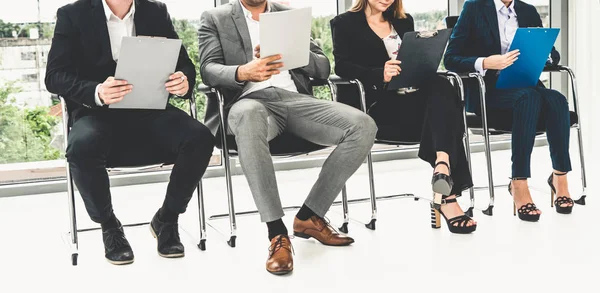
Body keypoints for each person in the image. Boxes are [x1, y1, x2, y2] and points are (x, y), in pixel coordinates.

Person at [199, 0, 377, 275]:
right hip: (247, 101)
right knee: (250, 116)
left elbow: (323, 68)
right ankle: (277, 234)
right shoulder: (215, 17)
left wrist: (295, 55)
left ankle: (309, 216)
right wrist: (242, 71)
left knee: (363, 125)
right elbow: (208, 69)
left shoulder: (289, 15)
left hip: (294, 101)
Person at [45, 0, 215, 265]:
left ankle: (167, 220)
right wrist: (96, 91)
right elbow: (54, 76)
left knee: (201, 137)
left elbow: (184, 64)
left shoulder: (155, 11)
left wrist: (183, 80)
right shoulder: (72, 14)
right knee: (81, 146)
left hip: (151, 111)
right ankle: (110, 227)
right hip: (97, 113)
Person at [331, 0, 477, 234]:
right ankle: (447, 197)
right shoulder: (344, 23)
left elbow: (413, 59)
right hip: (381, 108)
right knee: (447, 118)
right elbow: (342, 67)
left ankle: (442, 164)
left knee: (441, 83)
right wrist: (380, 74)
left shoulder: (402, 20)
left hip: (413, 101)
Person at [444, 0, 574, 221]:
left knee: (558, 100)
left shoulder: (528, 11)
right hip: (488, 90)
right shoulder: (474, 7)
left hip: (525, 83)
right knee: (529, 98)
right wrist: (485, 62)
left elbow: (552, 54)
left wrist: (544, 54)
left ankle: (559, 178)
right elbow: (450, 59)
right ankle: (519, 183)